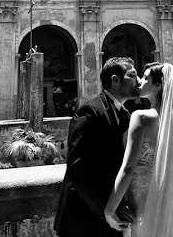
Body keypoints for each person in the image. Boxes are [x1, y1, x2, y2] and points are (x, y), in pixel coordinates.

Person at [54, 57, 140, 237]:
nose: (138, 81)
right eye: (132, 75)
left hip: (110, 218)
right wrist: (106, 210)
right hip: (83, 217)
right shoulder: (90, 111)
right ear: (115, 80)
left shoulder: (125, 115)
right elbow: (77, 167)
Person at [104, 62, 173, 237]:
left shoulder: (141, 117)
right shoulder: (172, 122)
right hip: (165, 201)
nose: (140, 81)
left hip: (140, 202)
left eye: (146, 78)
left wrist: (110, 209)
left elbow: (129, 167)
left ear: (158, 86)